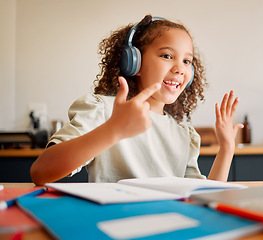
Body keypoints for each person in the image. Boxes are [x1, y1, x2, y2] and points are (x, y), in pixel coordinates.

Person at [30, 15, 243, 186]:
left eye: (187, 61)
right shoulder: (104, 111)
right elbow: (41, 172)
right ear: (135, 62)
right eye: (167, 56)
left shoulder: (183, 135)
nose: (179, 68)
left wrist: (226, 148)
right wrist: (113, 129)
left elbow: (203, 199)